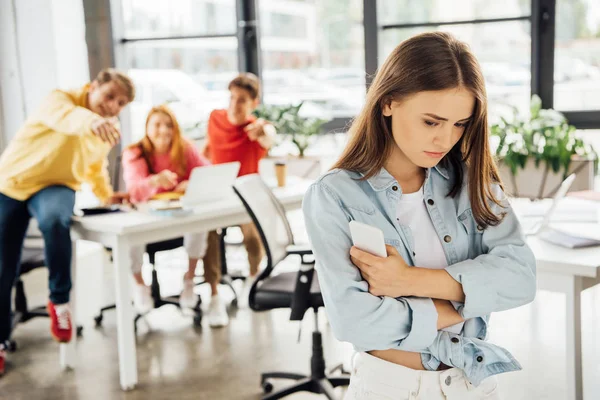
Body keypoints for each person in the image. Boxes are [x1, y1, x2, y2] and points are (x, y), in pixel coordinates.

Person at [302, 32, 536, 399]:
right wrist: (467, 301)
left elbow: (521, 277)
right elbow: (355, 321)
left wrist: (408, 281)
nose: (445, 140)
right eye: (432, 122)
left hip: (471, 383)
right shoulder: (334, 195)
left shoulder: (473, 182)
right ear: (388, 103)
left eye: (460, 124)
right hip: (390, 388)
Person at [0, 68, 134, 376]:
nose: (112, 105)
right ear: (93, 86)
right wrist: (93, 122)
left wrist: (106, 195)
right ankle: (0, 342)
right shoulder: (60, 100)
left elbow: (94, 165)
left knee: (56, 221)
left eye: (120, 103)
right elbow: (69, 118)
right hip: (11, 183)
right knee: (3, 267)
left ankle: (59, 302)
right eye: (109, 95)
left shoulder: (105, 128)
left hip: (56, 186)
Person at [122, 105, 215, 317]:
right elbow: (134, 190)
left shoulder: (184, 148)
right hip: (146, 216)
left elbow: (208, 173)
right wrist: (155, 180)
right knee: (131, 234)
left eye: (168, 125)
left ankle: (189, 280)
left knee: (199, 224)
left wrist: (190, 183)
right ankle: (140, 285)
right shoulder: (135, 152)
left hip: (177, 217)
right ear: (146, 127)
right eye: (157, 125)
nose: (163, 130)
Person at [202, 73, 276, 327]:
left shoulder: (255, 129)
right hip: (216, 195)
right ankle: (213, 296)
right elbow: (207, 150)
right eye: (232, 97)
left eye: (242, 100)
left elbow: (269, 137)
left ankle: (253, 279)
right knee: (207, 236)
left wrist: (266, 130)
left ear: (254, 103)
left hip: (245, 198)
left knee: (253, 238)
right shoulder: (215, 118)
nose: (235, 104)